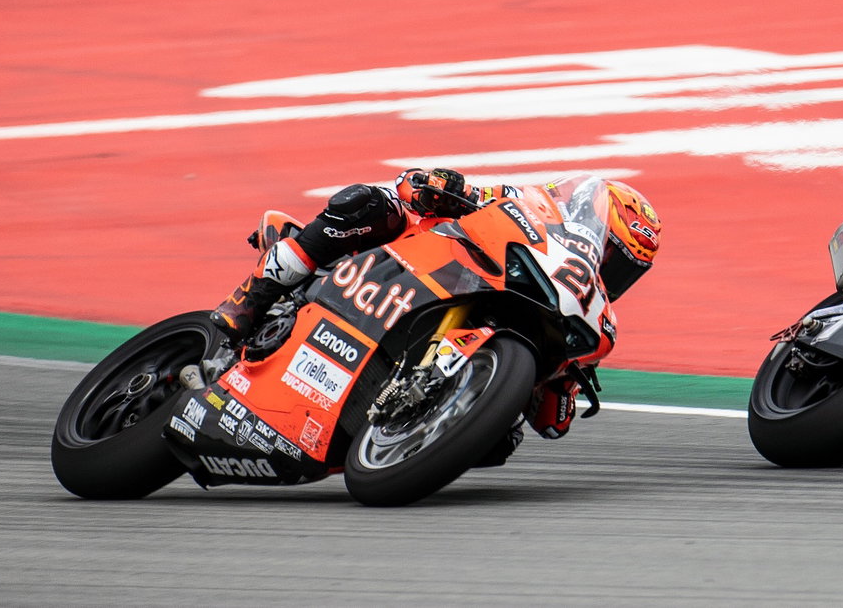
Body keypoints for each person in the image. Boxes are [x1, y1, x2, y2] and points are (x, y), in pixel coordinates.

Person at [211, 167, 662, 439]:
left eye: (624, 268)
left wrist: (562, 383)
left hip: (477, 327)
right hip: (416, 264)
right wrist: (442, 185)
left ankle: (410, 431)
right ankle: (250, 298)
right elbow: (423, 184)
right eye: (612, 252)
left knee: (502, 440)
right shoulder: (528, 205)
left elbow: (551, 425)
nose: (607, 266)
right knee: (367, 204)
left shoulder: (584, 310)